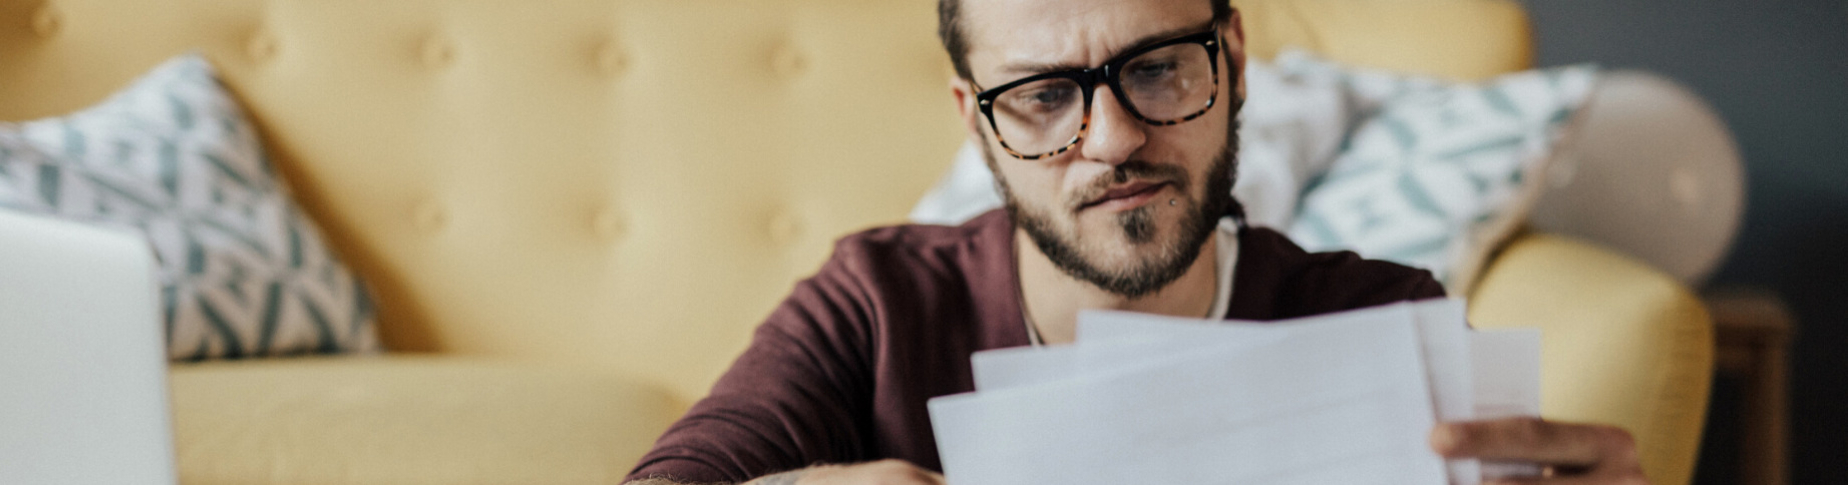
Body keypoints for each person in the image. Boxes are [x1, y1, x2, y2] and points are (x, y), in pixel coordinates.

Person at [623, 0, 1647, 484]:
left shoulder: (1377, 321)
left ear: (1235, 60)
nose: (1113, 139)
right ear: (978, 122)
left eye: (1158, 68)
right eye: (1041, 96)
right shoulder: (877, 304)